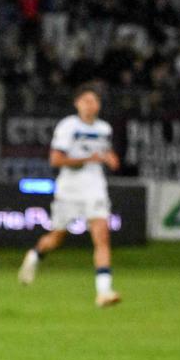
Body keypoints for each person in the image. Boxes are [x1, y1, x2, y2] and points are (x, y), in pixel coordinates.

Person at [18, 85, 121, 307]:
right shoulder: (68, 126)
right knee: (56, 237)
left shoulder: (104, 129)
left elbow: (105, 152)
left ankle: (104, 292)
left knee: (102, 236)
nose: (90, 105)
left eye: (94, 101)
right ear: (77, 104)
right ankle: (35, 255)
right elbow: (55, 160)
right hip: (69, 189)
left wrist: (110, 158)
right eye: (85, 100)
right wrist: (88, 159)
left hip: (95, 187)